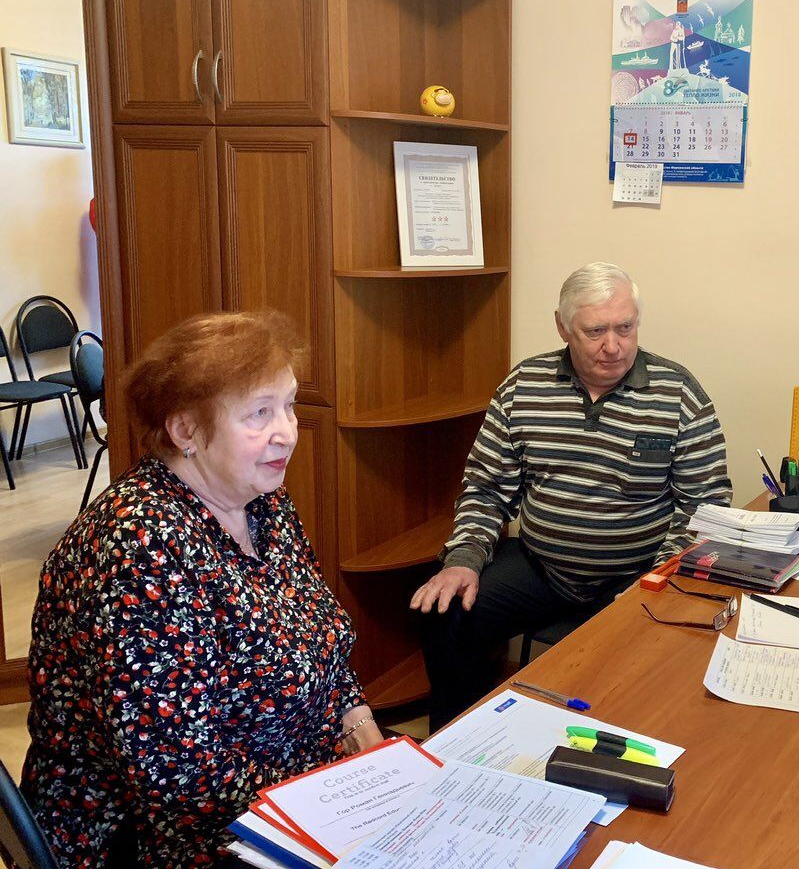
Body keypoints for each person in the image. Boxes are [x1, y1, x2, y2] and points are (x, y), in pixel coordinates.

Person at [22, 312, 383, 869]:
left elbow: (321, 642)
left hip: (295, 790)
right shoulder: (139, 547)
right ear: (185, 430)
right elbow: (178, 775)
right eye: (260, 412)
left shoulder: (260, 499)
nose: (287, 431)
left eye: (288, 405)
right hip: (163, 836)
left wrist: (364, 735)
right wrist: (329, 803)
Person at [413, 262, 731, 726]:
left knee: (647, 659)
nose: (613, 346)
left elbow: (705, 507)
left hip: (638, 572)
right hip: (542, 568)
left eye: (625, 328)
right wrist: (464, 558)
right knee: (446, 609)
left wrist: (655, 579)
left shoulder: (678, 393)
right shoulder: (524, 386)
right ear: (563, 327)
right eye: (595, 331)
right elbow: (486, 488)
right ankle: (458, 741)